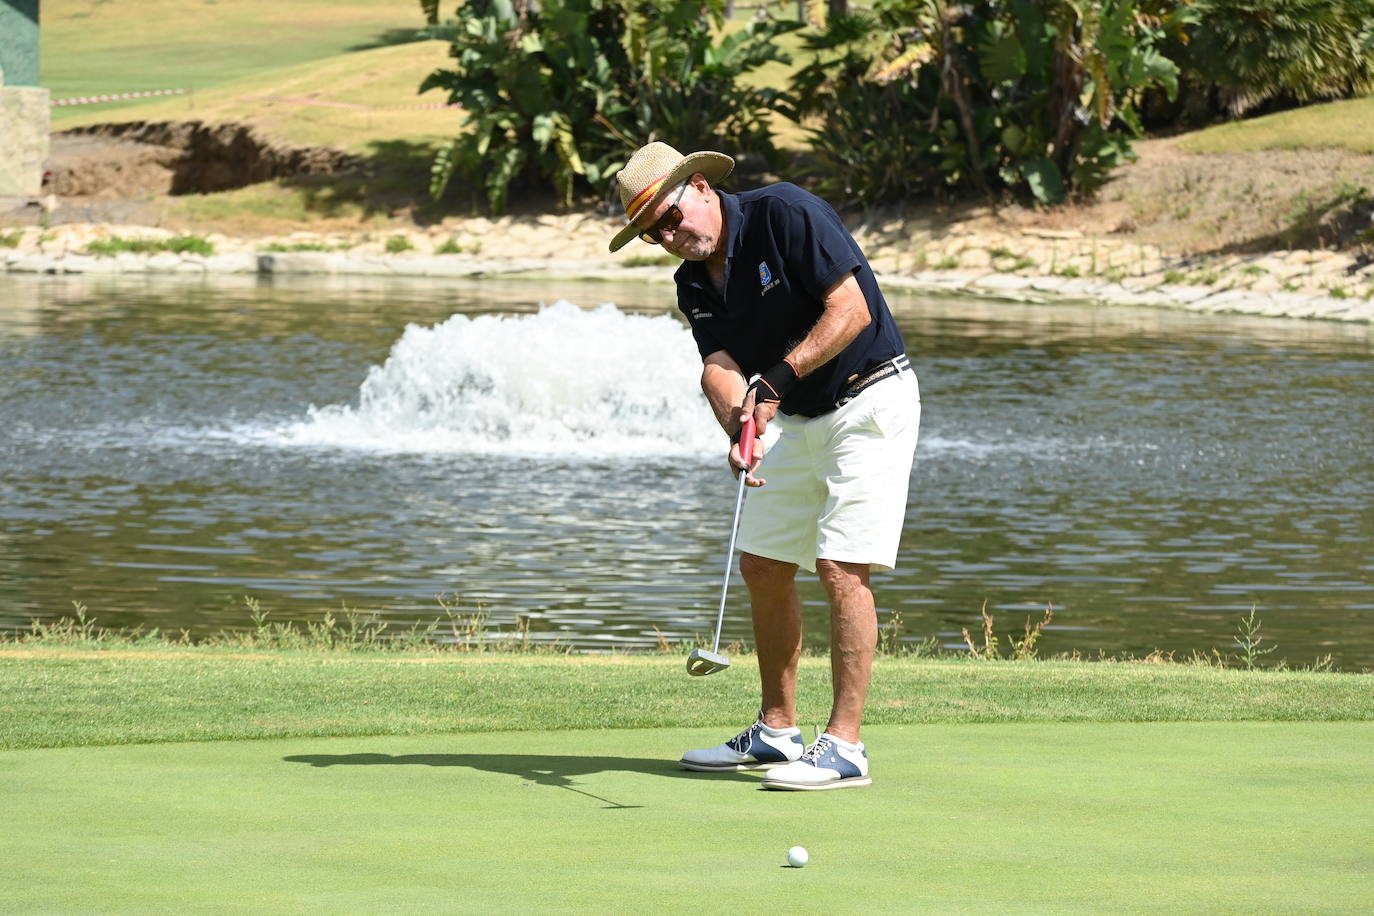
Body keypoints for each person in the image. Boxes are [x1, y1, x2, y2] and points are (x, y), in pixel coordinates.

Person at [608, 142, 920, 791]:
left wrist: (774, 381)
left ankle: (846, 746)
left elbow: (852, 309)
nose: (669, 236)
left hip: (870, 398)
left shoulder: (784, 213)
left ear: (698, 185)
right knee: (763, 563)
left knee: (841, 564)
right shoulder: (692, 281)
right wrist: (739, 420)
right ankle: (778, 731)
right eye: (653, 232)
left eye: (670, 217)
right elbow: (717, 365)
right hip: (800, 419)